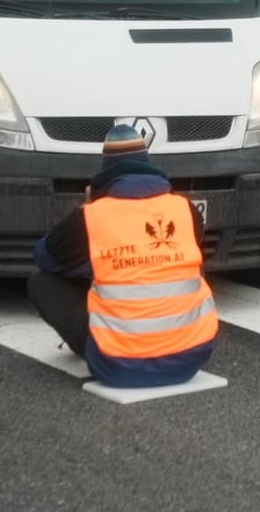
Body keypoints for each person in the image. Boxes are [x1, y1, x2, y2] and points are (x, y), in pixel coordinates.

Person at [29, 123, 217, 388]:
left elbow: (45, 257)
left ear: (106, 171)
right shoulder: (185, 210)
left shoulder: (93, 216)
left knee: (41, 282)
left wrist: (88, 212)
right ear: (148, 166)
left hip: (117, 365)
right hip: (192, 357)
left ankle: (91, 347)